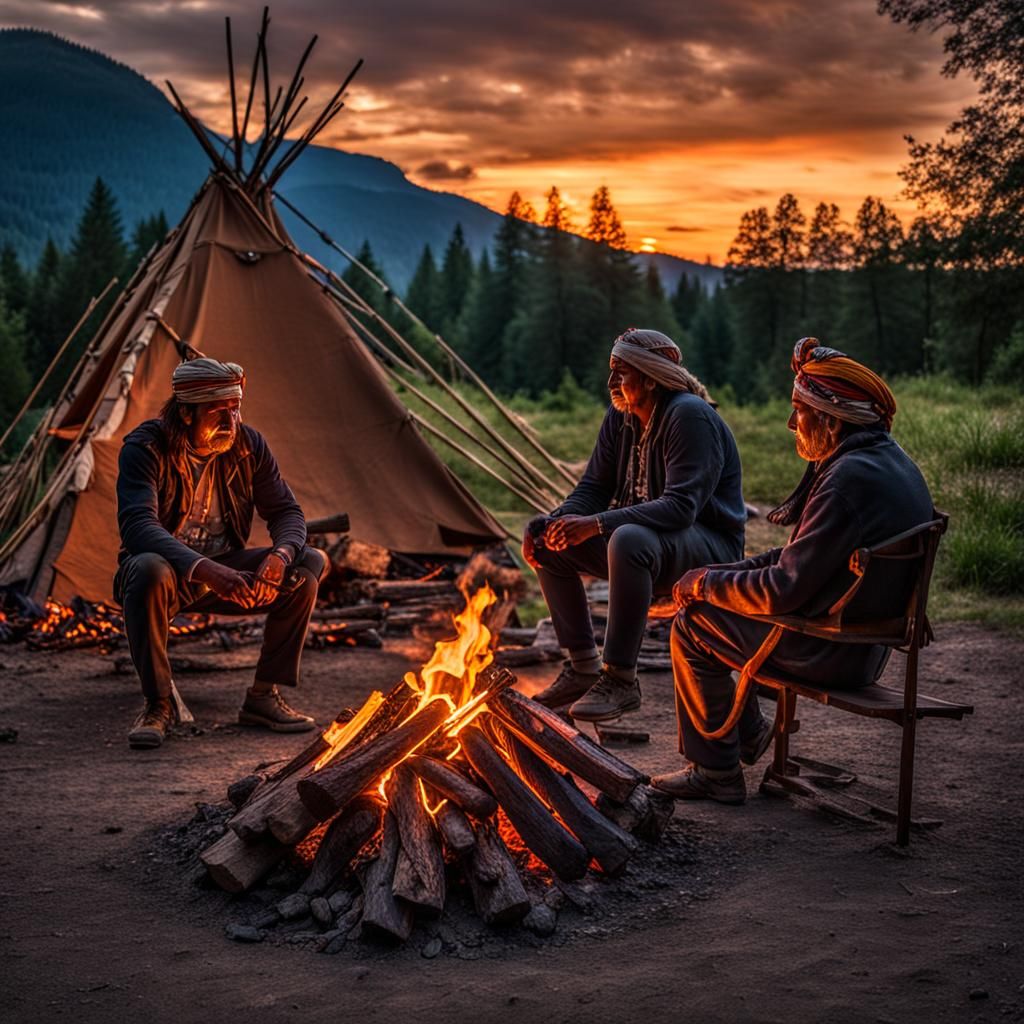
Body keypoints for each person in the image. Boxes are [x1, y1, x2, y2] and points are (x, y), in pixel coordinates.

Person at [653, 338, 932, 803]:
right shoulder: (887, 462)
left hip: (831, 652)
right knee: (708, 604)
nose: (790, 423)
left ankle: (715, 770)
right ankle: (746, 738)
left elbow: (783, 589)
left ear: (829, 417)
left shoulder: (846, 481)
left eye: (798, 411)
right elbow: (796, 559)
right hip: (866, 647)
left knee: (691, 624)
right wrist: (718, 575)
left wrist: (704, 585)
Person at [523, 328, 746, 723]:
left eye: (621, 372)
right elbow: (593, 486)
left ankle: (621, 678)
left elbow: (680, 508)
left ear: (648, 376)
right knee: (546, 543)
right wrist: (554, 522)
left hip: (710, 549)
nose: (612, 382)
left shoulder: (688, 415)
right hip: (649, 546)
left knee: (626, 538)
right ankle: (583, 668)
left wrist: (596, 524)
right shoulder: (621, 416)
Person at [115, 357, 326, 749]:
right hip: (170, 575)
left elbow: (285, 513)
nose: (231, 421)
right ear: (186, 413)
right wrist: (205, 569)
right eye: (218, 412)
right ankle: (158, 704)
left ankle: (263, 696)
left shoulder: (247, 445)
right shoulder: (145, 448)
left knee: (309, 562)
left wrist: (279, 557)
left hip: (226, 571)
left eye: (235, 408)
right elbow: (138, 527)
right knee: (148, 568)